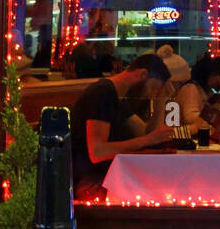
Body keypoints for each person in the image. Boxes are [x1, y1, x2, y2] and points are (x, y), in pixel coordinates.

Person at [69, 53, 174, 193]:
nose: (151, 95)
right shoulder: (103, 93)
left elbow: (146, 134)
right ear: (143, 75)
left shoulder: (118, 97)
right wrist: (148, 140)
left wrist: (161, 100)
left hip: (109, 175)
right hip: (91, 182)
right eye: (153, 88)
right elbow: (97, 151)